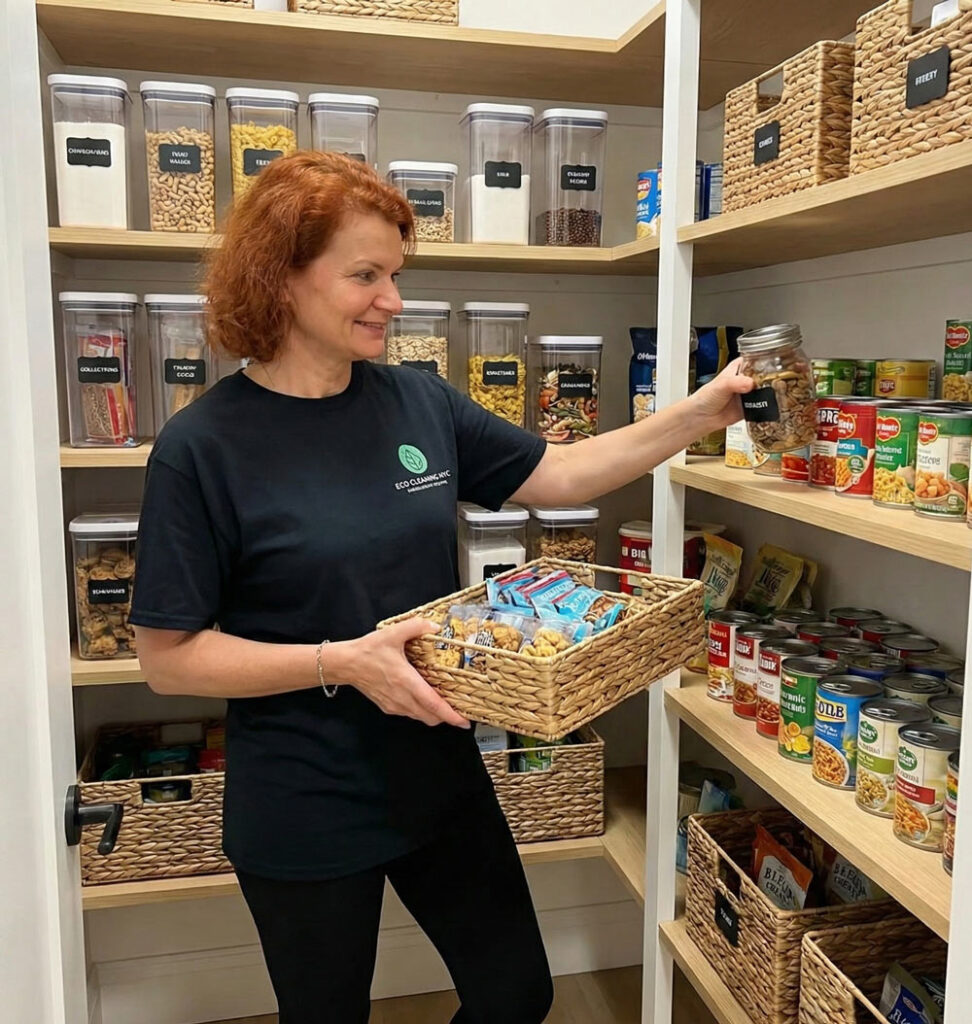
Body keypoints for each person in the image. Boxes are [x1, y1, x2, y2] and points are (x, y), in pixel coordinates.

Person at [130, 151, 752, 1024]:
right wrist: (342, 661)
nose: (392, 298)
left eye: (396, 273)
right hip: (305, 794)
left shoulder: (417, 403)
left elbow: (563, 474)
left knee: (515, 995)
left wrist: (701, 411)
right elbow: (170, 659)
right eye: (365, 275)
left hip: (437, 773)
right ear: (279, 279)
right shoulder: (201, 448)